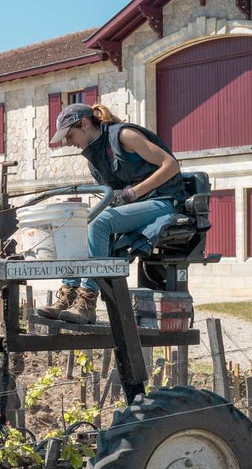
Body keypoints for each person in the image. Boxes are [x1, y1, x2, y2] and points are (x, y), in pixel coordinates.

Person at [37, 102, 185, 325]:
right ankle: (69, 292)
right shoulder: (94, 158)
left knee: (100, 223)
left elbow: (171, 165)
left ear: (84, 124)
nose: (68, 142)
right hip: (135, 206)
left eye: (69, 135)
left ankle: (87, 302)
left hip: (162, 201)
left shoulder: (124, 136)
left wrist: (133, 193)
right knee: (76, 223)